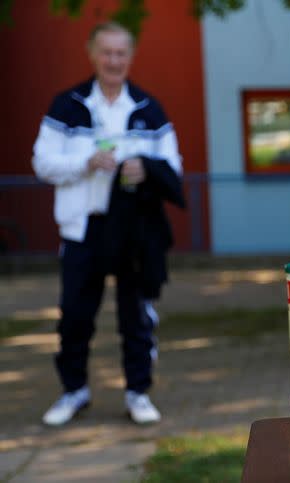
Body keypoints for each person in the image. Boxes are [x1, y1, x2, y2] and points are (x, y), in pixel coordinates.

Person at [32, 21, 184, 426]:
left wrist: (144, 169)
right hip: (83, 229)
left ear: (130, 57)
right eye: (107, 52)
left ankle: (138, 392)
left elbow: (173, 168)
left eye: (121, 53)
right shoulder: (67, 105)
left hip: (133, 232)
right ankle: (74, 391)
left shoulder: (149, 109)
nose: (114, 61)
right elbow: (42, 162)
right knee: (75, 316)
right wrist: (84, 163)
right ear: (92, 54)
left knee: (136, 317)